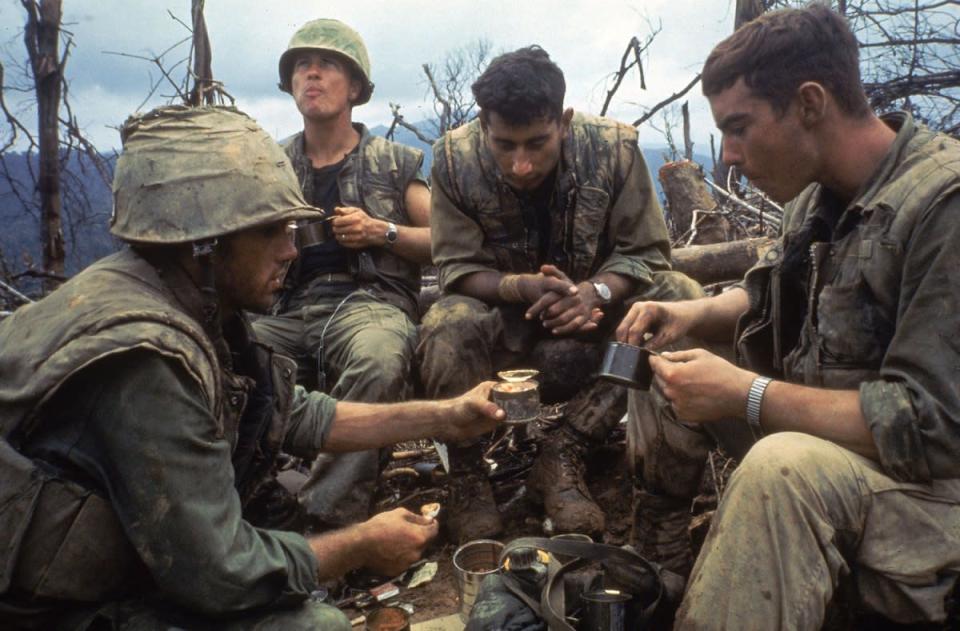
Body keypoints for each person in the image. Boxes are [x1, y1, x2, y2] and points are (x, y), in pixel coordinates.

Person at [0, 106, 503, 630]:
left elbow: (301, 414)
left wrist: (446, 417)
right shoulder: (145, 362)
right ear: (206, 243)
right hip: (45, 611)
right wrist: (360, 545)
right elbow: (221, 574)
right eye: (271, 231)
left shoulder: (180, 293)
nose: (292, 249)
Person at [617, 5, 960, 628]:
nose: (729, 155)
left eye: (740, 127)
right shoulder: (816, 196)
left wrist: (748, 395)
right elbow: (765, 295)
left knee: (783, 471)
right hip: (836, 446)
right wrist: (686, 313)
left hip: (932, 497)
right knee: (662, 351)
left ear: (809, 103)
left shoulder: (944, 206)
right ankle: (661, 564)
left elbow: (933, 427)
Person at [417, 45, 702, 541]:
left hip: (595, 335)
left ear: (564, 121)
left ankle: (566, 449)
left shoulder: (615, 149)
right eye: (504, 145)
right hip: (503, 336)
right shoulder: (452, 160)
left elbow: (649, 251)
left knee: (677, 295)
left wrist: (596, 292)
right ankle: (466, 479)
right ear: (483, 123)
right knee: (446, 322)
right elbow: (457, 268)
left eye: (536, 144)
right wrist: (520, 287)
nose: (521, 164)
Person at [251, 18, 432, 528]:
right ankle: (237, 508)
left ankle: (326, 522)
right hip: (286, 310)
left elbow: (449, 242)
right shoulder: (273, 165)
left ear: (354, 86)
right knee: (216, 358)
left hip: (370, 305)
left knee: (377, 358)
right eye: (301, 68)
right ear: (289, 85)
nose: (311, 75)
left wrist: (383, 232)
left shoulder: (395, 162)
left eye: (326, 65)